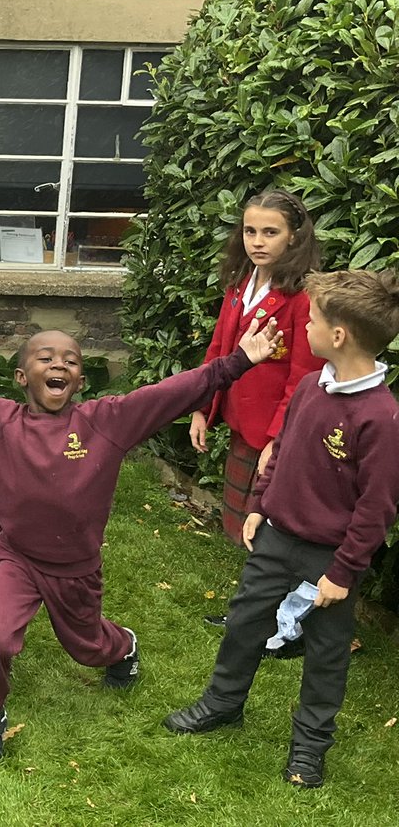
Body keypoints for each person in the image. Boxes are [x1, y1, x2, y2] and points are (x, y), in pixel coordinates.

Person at [0, 311, 283, 761]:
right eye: (46, 358)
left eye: (70, 360)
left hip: (76, 569)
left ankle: (123, 646)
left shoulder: (107, 421)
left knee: (89, 647)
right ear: (22, 376)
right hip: (17, 560)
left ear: (81, 379)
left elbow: (172, 393)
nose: (59, 365)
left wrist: (237, 361)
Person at [163, 270, 399, 790]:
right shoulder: (312, 387)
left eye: (312, 320)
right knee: (246, 619)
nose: (305, 328)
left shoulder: (380, 417)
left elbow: (377, 507)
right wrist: (261, 506)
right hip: (275, 536)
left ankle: (310, 747)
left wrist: (343, 572)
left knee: (326, 653)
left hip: (330, 559)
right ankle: (223, 703)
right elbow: (282, 455)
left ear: (339, 335)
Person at [190, 189, 323, 546]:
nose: (257, 242)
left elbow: (304, 379)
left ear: (294, 236)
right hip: (241, 420)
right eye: (250, 231)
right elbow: (218, 348)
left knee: (267, 528)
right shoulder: (239, 282)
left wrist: (278, 441)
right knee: (236, 522)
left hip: (273, 429)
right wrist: (201, 408)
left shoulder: (304, 296)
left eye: (270, 232)